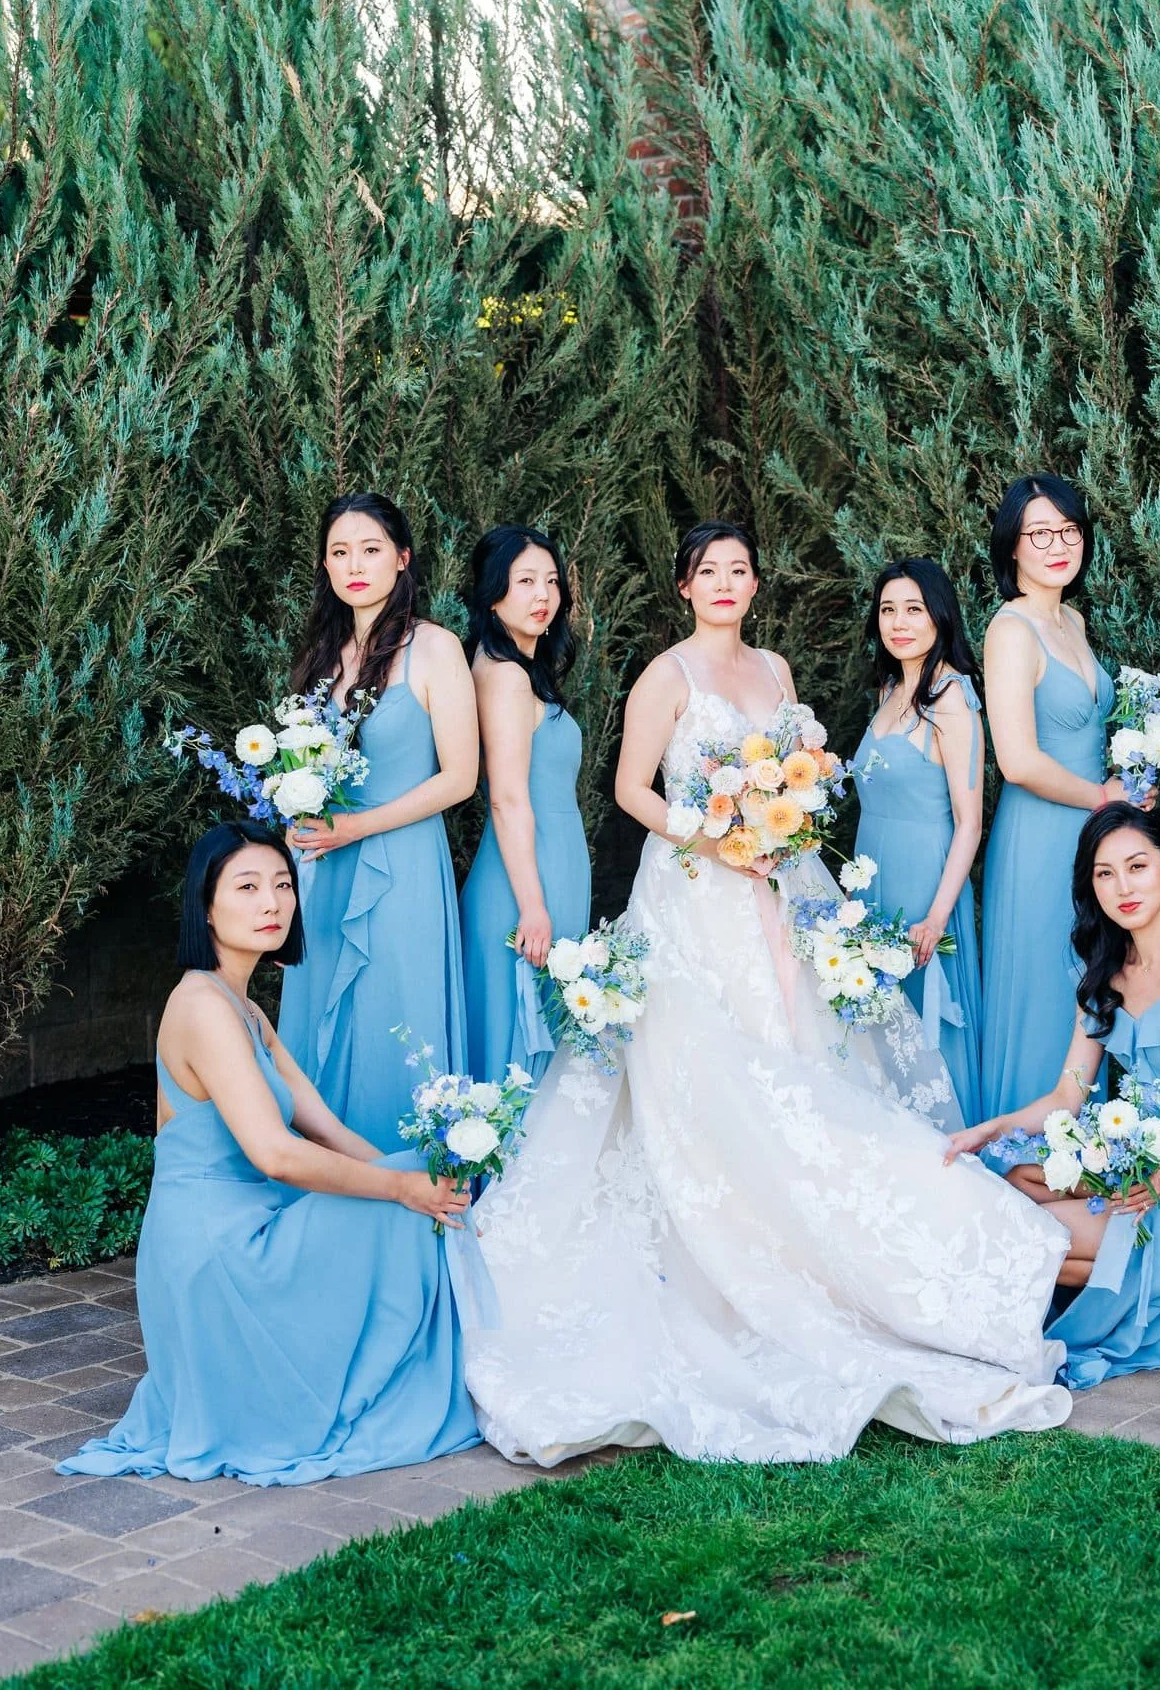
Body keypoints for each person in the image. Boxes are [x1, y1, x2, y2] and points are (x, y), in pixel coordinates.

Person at [445, 521, 1072, 1465]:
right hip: (697, 896)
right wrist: (716, 838)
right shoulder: (666, 677)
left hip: (783, 887)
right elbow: (628, 790)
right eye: (710, 572)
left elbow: (802, 779)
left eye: (741, 569)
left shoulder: (776, 670)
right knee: (709, 1077)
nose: (726, 584)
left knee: (806, 1064)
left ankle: (851, 1261)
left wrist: (785, 824)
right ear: (685, 585)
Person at [58, 823, 480, 1486]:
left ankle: (435, 1362)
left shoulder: (244, 1008)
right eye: (248, 887)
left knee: (411, 1183)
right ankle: (417, 1374)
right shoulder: (201, 1005)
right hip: (217, 1252)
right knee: (400, 1194)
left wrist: (415, 1176)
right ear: (205, 907)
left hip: (247, 1222)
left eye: (283, 885)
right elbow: (277, 1154)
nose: (273, 904)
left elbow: (325, 1127)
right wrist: (401, 1189)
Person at [948, 805, 1160, 1388]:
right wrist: (989, 1129)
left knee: (1039, 1241)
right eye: (1105, 874)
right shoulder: (1104, 979)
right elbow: (1065, 1097)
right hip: (1143, 1179)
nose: (1123, 887)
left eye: (1137, 866)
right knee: (1016, 1181)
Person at [277, 493, 477, 1151]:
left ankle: (405, 1177)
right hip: (325, 867)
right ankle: (329, 1174)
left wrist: (357, 829)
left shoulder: (435, 648)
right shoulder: (323, 656)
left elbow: (459, 778)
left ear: (402, 558)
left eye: (369, 549)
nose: (354, 564)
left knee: (396, 1018)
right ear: (325, 566)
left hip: (401, 866)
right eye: (339, 552)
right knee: (324, 1024)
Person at [979, 475, 1122, 1119]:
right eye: (1039, 533)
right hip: (1041, 837)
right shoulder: (1011, 630)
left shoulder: (1072, 618)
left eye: (1068, 529)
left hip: (1095, 830)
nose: (1058, 544)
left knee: (1094, 983)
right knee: (1047, 986)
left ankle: (1090, 1155)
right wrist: (1103, 797)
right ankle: (1028, 1163)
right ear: (1013, 547)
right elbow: (1017, 760)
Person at [852, 558, 984, 1126]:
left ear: (939, 615)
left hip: (925, 884)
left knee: (925, 1037)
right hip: (872, 879)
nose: (899, 622)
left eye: (914, 608)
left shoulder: (950, 695)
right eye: (888, 609)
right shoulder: (889, 689)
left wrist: (936, 916)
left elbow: (969, 820)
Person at [459, 525, 592, 1086]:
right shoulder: (506, 676)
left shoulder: (516, 670)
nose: (543, 595)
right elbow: (508, 799)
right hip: (527, 881)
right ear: (494, 593)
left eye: (552, 581)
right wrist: (534, 905)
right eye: (525, 582)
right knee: (523, 1039)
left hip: (549, 866)